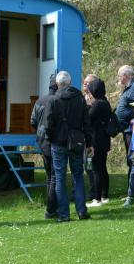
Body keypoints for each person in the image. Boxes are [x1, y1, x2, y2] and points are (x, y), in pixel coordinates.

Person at [44, 71, 92, 222]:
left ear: (57, 84)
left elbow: (48, 124)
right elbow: (86, 123)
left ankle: (64, 214)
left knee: (60, 177)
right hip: (77, 142)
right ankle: (82, 211)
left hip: (58, 142)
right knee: (78, 175)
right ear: (70, 83)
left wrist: (50, 138)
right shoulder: (79, 98)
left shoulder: (53, 99)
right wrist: (89, 143)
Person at [30, 75, 59, 219]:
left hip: (42, 142)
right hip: (55, 141)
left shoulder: (39, 101)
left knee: (49, 177)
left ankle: (51, 207)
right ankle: (51, 209)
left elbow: (33, 121)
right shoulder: (58, 101)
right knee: (55, 177)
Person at [86, 78, 112, 207]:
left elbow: (88, 118)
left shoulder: (98, 104)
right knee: (103, 168)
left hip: (96, 140)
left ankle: (97, 199)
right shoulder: (105, 102)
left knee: (96, 169)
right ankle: (104, 195)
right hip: (104, 139)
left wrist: (88, 105)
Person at [115, 65, 134, 157]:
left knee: (133, 155)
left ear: (125, 75)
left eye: (119, 75)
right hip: (127, 128)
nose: (118, 78)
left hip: (132, 129)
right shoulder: (129, 87)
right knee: (130, 155)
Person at [82, 74, 99, 200]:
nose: (85, 85)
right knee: (87, 166)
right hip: (84, 139)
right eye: (84, 83)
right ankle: (92, 189)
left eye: (88, 83)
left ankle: (95, 191)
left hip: (95, 139)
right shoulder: (83, 98)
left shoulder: (98, 99)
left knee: (94, 167)